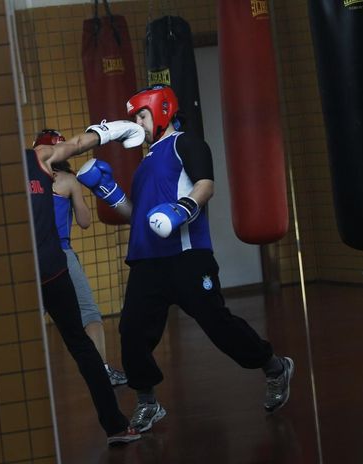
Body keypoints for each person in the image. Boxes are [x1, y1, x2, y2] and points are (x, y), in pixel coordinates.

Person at [75, 84, 295, 433]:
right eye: (135, 118)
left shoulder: (186, 144)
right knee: (132, 331)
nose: (138, 125)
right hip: (147, 260)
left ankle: (274, 366)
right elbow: (142, 217)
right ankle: (148, 402)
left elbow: (205, 185)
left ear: (162, 111)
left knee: (216, 324)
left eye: (142, 116)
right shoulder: (145, 164)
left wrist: (181, 209)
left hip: (187, 256)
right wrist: (109, 191)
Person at [25, 122, 144, 445]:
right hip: (48, 267)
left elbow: (77, 144)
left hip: (36, 272)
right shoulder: (42, 163)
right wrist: (115, 130)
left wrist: (112, 131)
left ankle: (111, 425)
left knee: (62, 342)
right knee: (82, 332)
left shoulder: (18, 164)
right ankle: (115, 424)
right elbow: (85, 220)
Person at [33, 129, 128, 387]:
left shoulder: (29, 184)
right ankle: (103, 371)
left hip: (32, 258)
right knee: (88, 312)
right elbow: (85, 222)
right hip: (61, 254)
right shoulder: (68, 181)